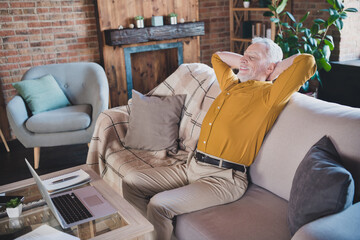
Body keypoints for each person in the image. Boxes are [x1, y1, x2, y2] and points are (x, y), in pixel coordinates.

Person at [122, 37, 316, 240]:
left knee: (159, 205)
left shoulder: (270, 95)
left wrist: (272, 70)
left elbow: (307, 62)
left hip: (222, 179)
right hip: (191, 166)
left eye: (252, 56)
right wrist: (248, 61)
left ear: (271, 68)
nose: (243, 60)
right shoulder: (231, 86)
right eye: (243, 54)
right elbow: (217, 58)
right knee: (131, 182)